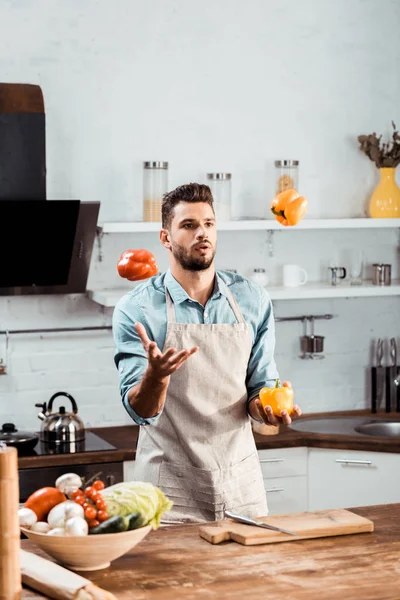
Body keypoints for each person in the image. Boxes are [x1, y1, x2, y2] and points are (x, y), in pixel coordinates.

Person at [112, 183, 302, 523]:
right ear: (165, 238)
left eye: (209, 224)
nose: (203, 233)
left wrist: (267, 410)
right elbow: (140, 410)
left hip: (239, 485)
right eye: (189, 225)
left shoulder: (252, 300)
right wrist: (155, 377)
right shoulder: (137, 309)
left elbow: (260, 388)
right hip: (168, 492)